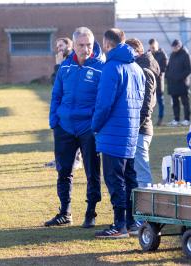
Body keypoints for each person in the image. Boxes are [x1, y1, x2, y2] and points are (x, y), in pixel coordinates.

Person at [45, 27, 104, 228]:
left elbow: (102, 101)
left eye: (88, 45)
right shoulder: (65, 67)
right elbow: (56, 95)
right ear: (74, 45)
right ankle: (65, 212)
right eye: (81, 45)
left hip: (88, 129)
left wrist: (95, 125)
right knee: (63, 171)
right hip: (65, 128)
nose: (85, 49)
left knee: (92, 173)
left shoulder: (100, 68)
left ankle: (91, 213)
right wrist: (54, 121)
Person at [92, 28, 145, 239]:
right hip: (130, 132)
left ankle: (119, 225)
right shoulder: (136, 68)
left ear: (106, 44)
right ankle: (133, 222)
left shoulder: (111, 68)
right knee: (129, 178)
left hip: (113, 133)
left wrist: (95, 125)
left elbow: (104, 104)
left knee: (115, 180)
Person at [46, 37, 83, 170]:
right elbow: (55, 82)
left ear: (70, 46)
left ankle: (76, 160)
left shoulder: (74, 60)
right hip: (62, 104)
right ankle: (59, 160)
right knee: (61, 133)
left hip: (74, 105)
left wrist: (58, 66)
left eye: (61, 45)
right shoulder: (62, 61)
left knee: (74, 132)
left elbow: (65, 81)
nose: (59, 49)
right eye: (57, 47)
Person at [125, 38, 157, 189]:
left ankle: (146, 209)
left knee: (142, 174)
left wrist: (134, 127)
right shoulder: (139, 68)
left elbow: (145, 106)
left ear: (139, 52)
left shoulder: (144, 70)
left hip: (140, 130)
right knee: (134, 172)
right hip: (138, 128)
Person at [165, 39, 191, 127]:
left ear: (179, 46)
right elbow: (169, 67)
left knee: (185, 102)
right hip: (172, 84)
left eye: (175, 47)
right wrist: (167, 75)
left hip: (182, 84)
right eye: (172, 47)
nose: (173, 49)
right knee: (175, 102)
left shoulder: (185, 55)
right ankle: (176, 119)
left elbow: (190, 69)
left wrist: (180, 77)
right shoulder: (172, 55)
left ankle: (186, 119)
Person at [149, 38, 168, 126]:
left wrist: (155, 72)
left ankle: (160, 118)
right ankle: (148, 119)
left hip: (159, 82)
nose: (152, 49)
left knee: (160, 101)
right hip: (150, 82)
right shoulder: (148, 55)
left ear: (157, 46)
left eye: (153, 47)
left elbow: (164, 68)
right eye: (151, 47)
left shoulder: (162, 55)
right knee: (149, 101)